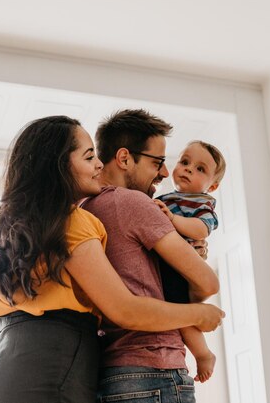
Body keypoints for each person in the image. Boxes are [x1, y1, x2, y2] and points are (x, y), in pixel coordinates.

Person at [0, 115, 224, 403]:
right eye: (89, 157)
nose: (99, 165)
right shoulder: (75, 220)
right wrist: (200, 314)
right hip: (56, 363)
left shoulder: (18, 225)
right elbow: (126, 308)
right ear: (60, 164)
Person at [82, 109, 219, 403]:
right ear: (124, 158)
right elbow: (208, 284)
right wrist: (191, 270)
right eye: (157, 162)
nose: (166, 173)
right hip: (154, 368)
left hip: (108, 370)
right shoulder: (134, 203)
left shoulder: (83, 209)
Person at [153, 140, 226, 383]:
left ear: (212, 186)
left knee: (182, 313)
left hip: (180, 268)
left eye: (200, 169)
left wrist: (172, 219)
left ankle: (203, 354)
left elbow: (200, 230)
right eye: (184, 162)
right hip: (165, 264)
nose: (188, 169)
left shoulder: (203, 204)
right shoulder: (165, 197)